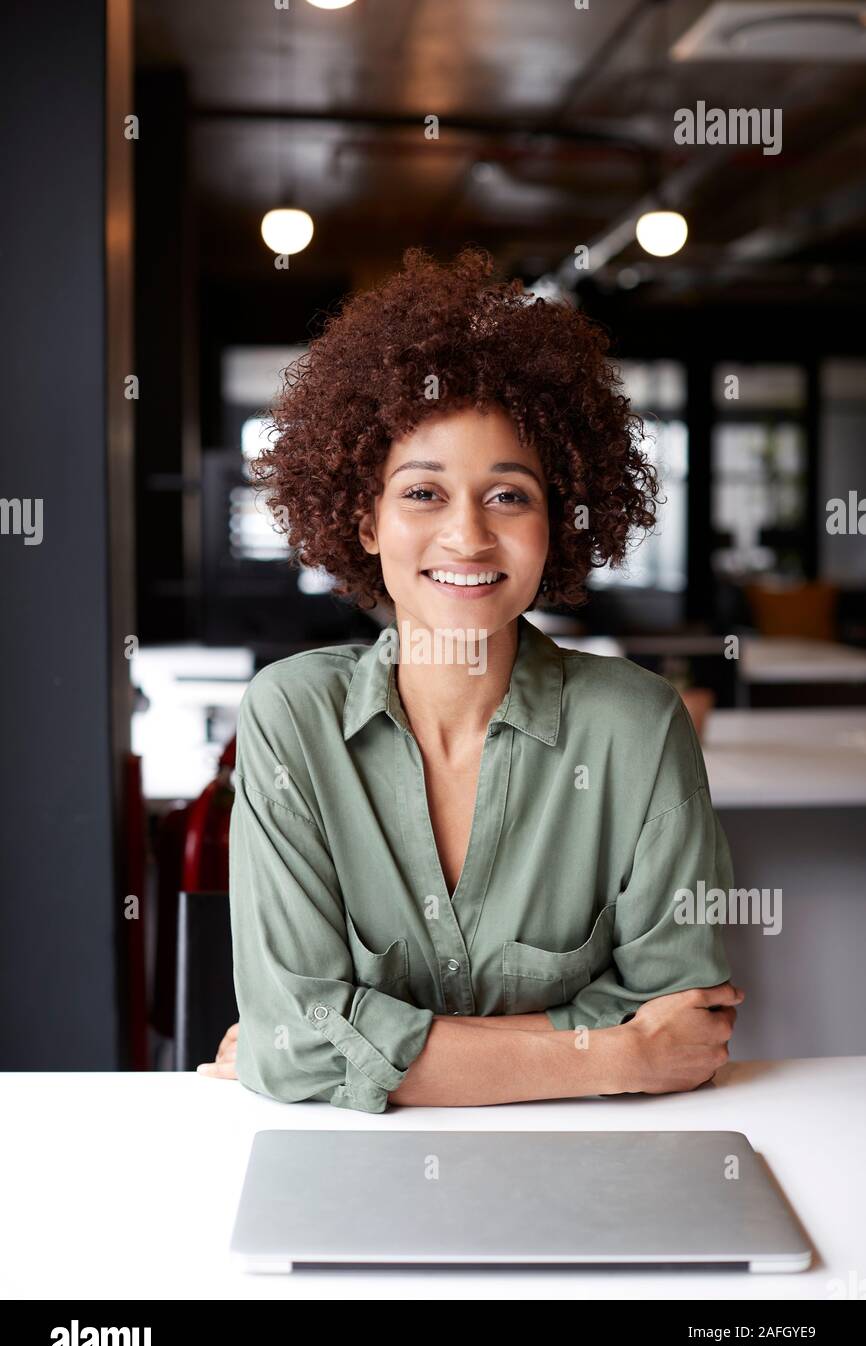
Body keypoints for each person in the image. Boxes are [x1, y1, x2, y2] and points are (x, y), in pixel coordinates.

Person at [197, 246, 744, 1111]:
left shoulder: (638, 727)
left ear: (557, 523)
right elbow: (288, 1038)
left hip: (591, 1171)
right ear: (362, 520)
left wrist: (346, 1041)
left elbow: (685, 1023)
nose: (467, 537)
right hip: (353, 1174)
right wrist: (614, 1055)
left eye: (509, 495)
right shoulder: (291, 717)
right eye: (421, 494)